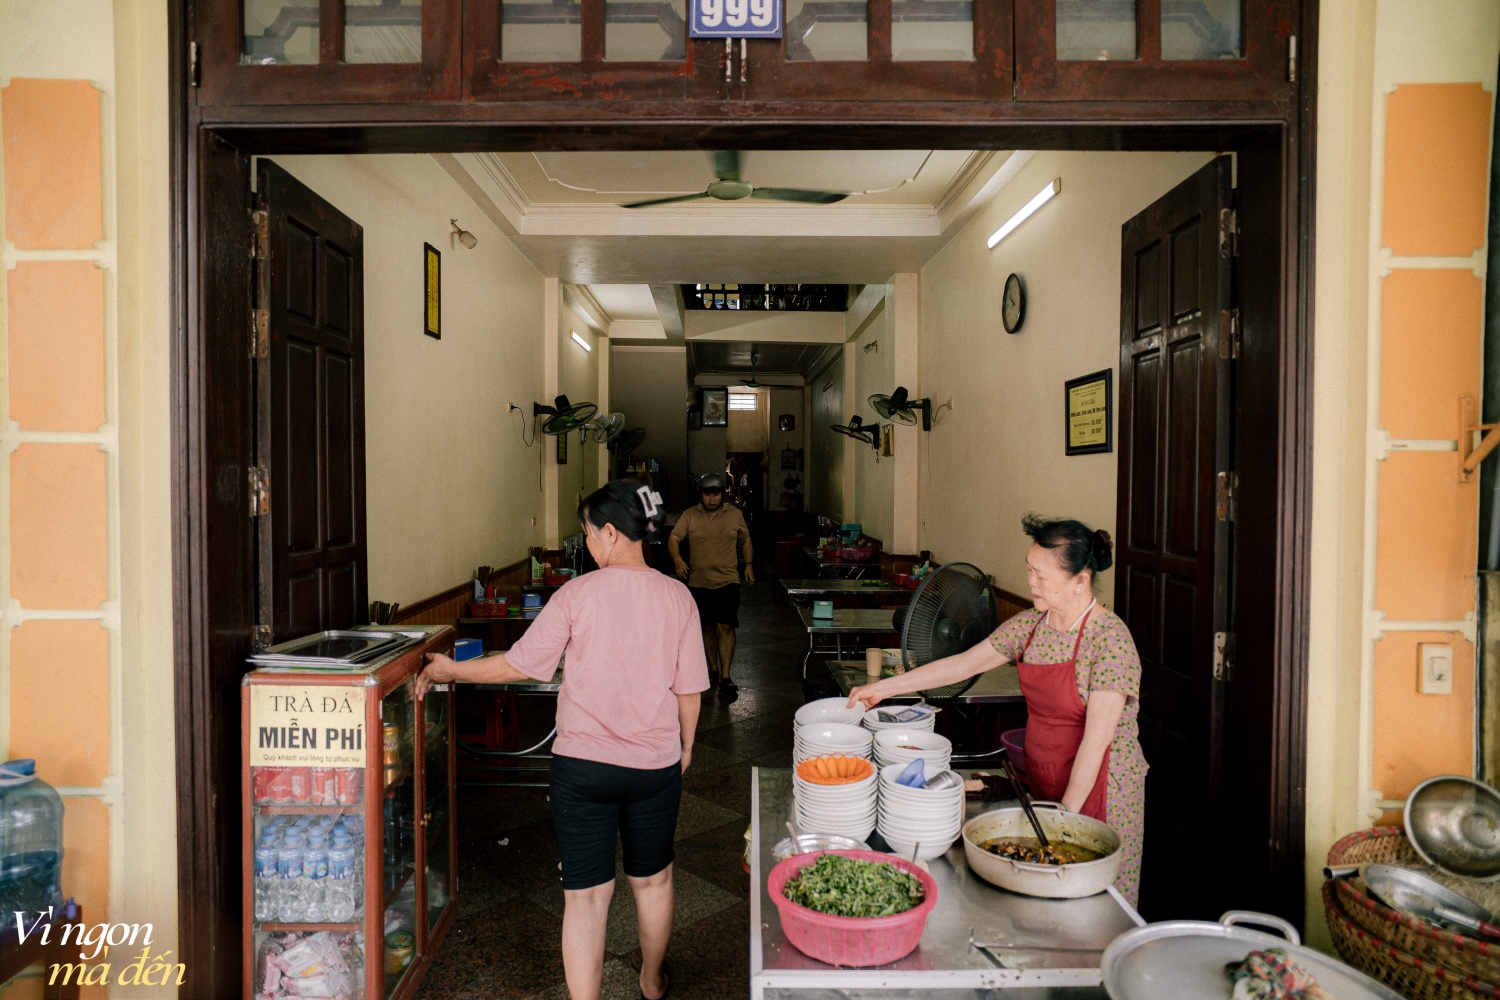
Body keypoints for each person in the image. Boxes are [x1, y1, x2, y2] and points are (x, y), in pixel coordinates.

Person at [415, 480, 708, 1000]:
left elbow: (518, 665)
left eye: (589, 534)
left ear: (613, 533)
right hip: (654, 766)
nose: (588, 543)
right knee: (655, 881)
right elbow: (689, 691)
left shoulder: (577, 594)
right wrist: (684, 749)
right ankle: (652, 979)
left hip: (581, 768)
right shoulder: (678, 597)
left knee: (587, 899)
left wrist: (451, 671)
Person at [848, 514, 1148, 903]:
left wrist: (1061, 821)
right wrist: (885, 690)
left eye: (1042, 575)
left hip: (1103, 788)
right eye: (1029, 570)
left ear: (1080, 580)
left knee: (1095, 900)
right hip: (1048, 776)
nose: (1031, 582)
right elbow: (964, 663)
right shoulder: (1032, 625)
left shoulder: (1110, 640)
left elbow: (1096, 742)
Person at [667, 473, 753, 696]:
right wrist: (677, 559)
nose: (712, 499)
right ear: (701, 496)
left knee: (725, 626)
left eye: (716, 494)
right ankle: (712, 669)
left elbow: (745, 539)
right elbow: (674, 538)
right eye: (708, 494)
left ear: (722, 495)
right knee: (706, 627)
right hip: (699, 582)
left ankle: (725, 675)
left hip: (728, 581)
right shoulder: (689, 516)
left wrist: (749, 565)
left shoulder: (735, 515)